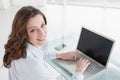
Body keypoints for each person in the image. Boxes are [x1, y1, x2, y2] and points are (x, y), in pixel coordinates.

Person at [3, 6, 90, 80]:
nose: (42, 33)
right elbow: (35, 62)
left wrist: (60, 55)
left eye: (42, 25)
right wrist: (79, 71)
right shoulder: (30, 63)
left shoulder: (22, 46)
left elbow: (40, 54)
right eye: (33, 30)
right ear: (23, 33)